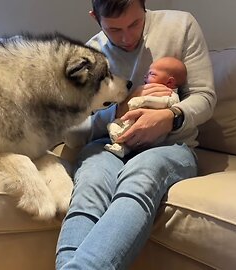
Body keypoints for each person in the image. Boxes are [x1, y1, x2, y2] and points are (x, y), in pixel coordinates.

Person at [56, 0, 217, 269]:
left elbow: (205, 97)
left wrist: (169, 118)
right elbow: (72, 132)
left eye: (134, 24)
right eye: (114, 29)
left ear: (145, 6)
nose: (127, 37)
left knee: (141, 174)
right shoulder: (89, 55)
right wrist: (119, 107)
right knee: (91, 183)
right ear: (95, 18)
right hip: (108, 145)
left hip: (171, 146)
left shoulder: (181, 26)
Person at [105, 56, 187, 158]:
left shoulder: (169, 94)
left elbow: (163, 102)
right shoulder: (141, 90)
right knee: (113, 125)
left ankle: (122, 140)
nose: (145, 76)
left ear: (170, 82)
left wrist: (143, 101)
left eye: (151, 74)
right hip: (129, 127)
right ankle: (121, 146)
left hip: (155, 142)